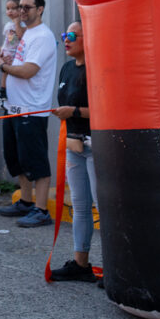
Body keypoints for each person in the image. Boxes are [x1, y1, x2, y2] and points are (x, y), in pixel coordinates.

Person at [0, 0, 57, 228]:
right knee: (17, 158)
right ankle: (25, 201)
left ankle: (41, 210)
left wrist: (3, 67)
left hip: (31, 109)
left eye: (27, 7)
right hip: (14, 106)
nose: (21, 11)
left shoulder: (42, 36)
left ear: (40, 10)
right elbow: (17, 60)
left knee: (36, 160)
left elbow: (28, 71)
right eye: (20, 6)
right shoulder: (25, 33)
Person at [48, 21, 98, 282]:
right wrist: (65, 113)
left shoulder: (97, 68)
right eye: (63, 34)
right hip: (74, 146)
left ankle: (117, 268)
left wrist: (74, 112)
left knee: (103, 207)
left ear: (87, 37)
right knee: (79, 206)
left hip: (96, 146)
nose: (65, 40)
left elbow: (106, 109)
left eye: (71, 35)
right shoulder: (67, 68)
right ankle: (81, 263)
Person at [0, 0, 24, 110]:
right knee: (6, 73)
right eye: (8, 8)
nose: (10, 11)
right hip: (7, 54)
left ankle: (3, 92)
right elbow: (8, 42)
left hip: (16, 55)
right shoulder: (8, 26)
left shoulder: (22, 25)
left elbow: (20, 37)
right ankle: (3, 93)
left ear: (20, 10)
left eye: (13, 8)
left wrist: (17, 23)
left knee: (9, 73)